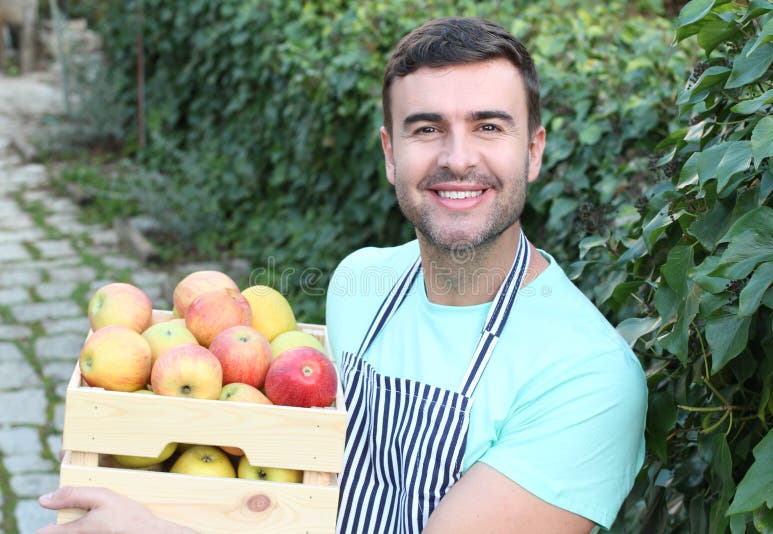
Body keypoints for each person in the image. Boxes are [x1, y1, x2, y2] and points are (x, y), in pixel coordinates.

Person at [37, 16, 647, 534]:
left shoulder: (587, 380)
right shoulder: (362, 284)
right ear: (389, 154)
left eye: (489, 126)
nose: (457, 157)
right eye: (426, 128)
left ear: (534, 151)